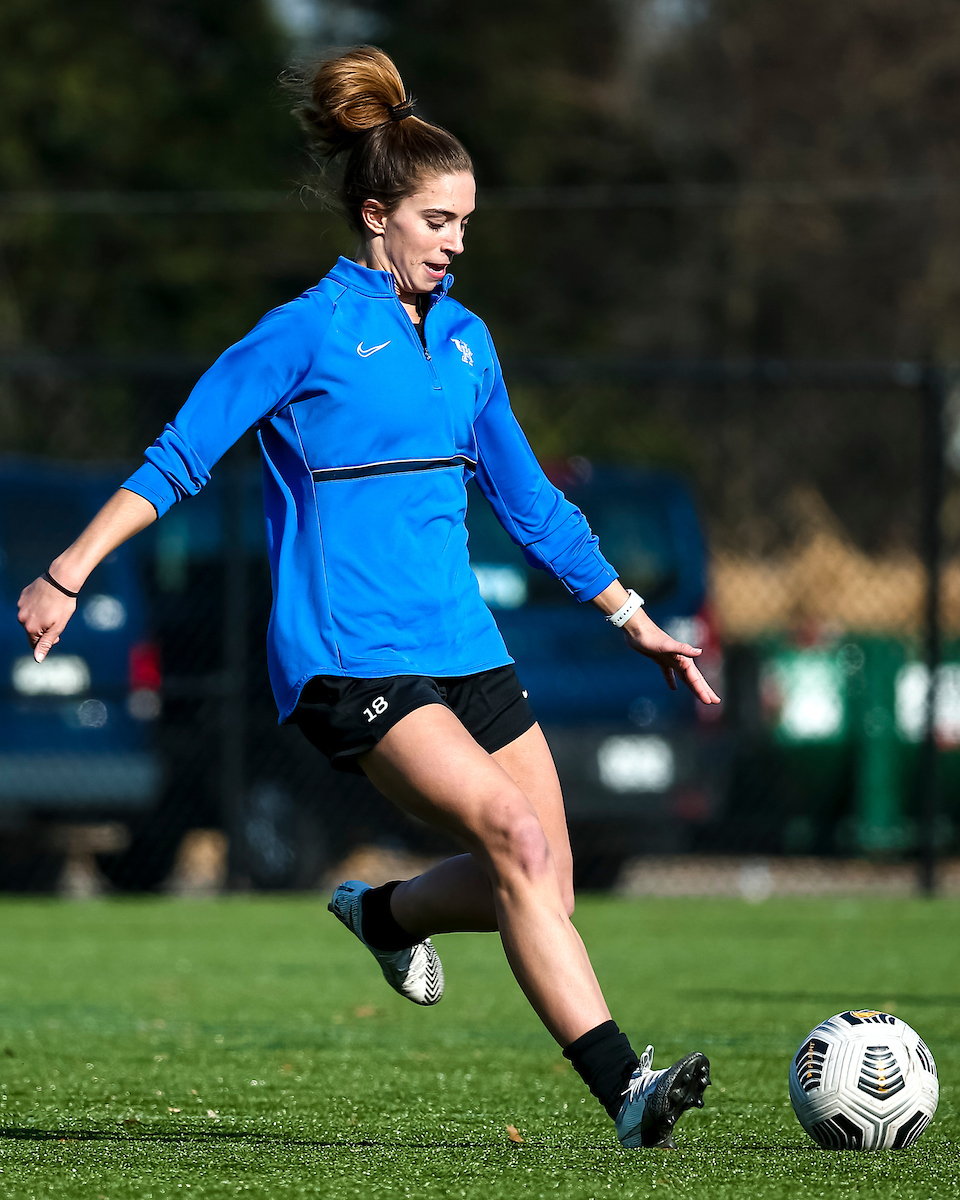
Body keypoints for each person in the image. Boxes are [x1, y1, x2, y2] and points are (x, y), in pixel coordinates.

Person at [17, 45, 720, 1150]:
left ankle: (383, 913)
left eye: (467, 225)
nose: (455, 243)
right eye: (439, 222)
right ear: (378, 215)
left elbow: (530, 501)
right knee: (512, 841)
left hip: (464, 644)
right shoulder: (302, 333)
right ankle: (629, 1090)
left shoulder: (468, 341)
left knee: (545, 872)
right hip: (349, 656)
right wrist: (69, 569)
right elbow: (176, 459)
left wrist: (634, 619)